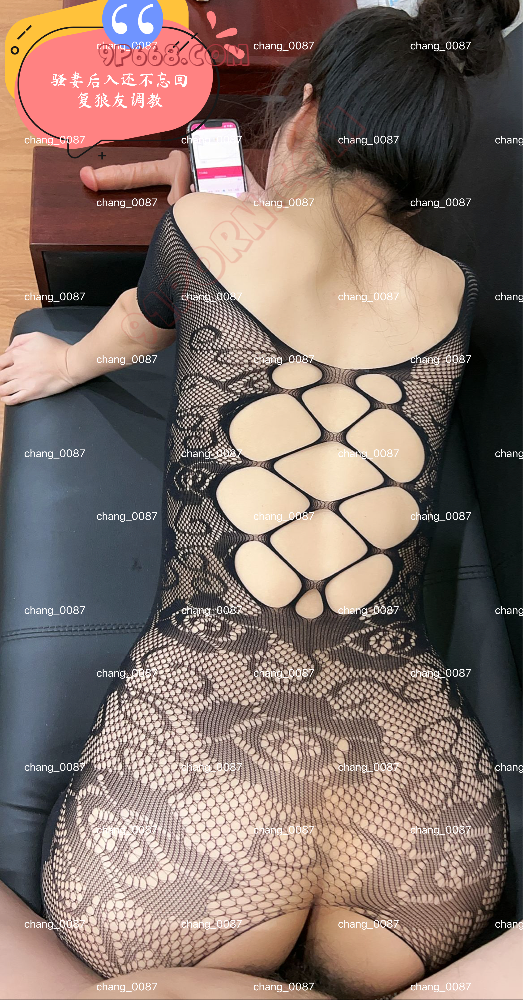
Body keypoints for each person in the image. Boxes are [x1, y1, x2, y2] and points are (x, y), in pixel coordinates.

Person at [0, 2, 521, 998]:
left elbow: (138, 323)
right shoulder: (449, 287)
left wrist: (66, 364)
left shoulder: (202, 227)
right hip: (419, 861)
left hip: (192, 853)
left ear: (303, 112)